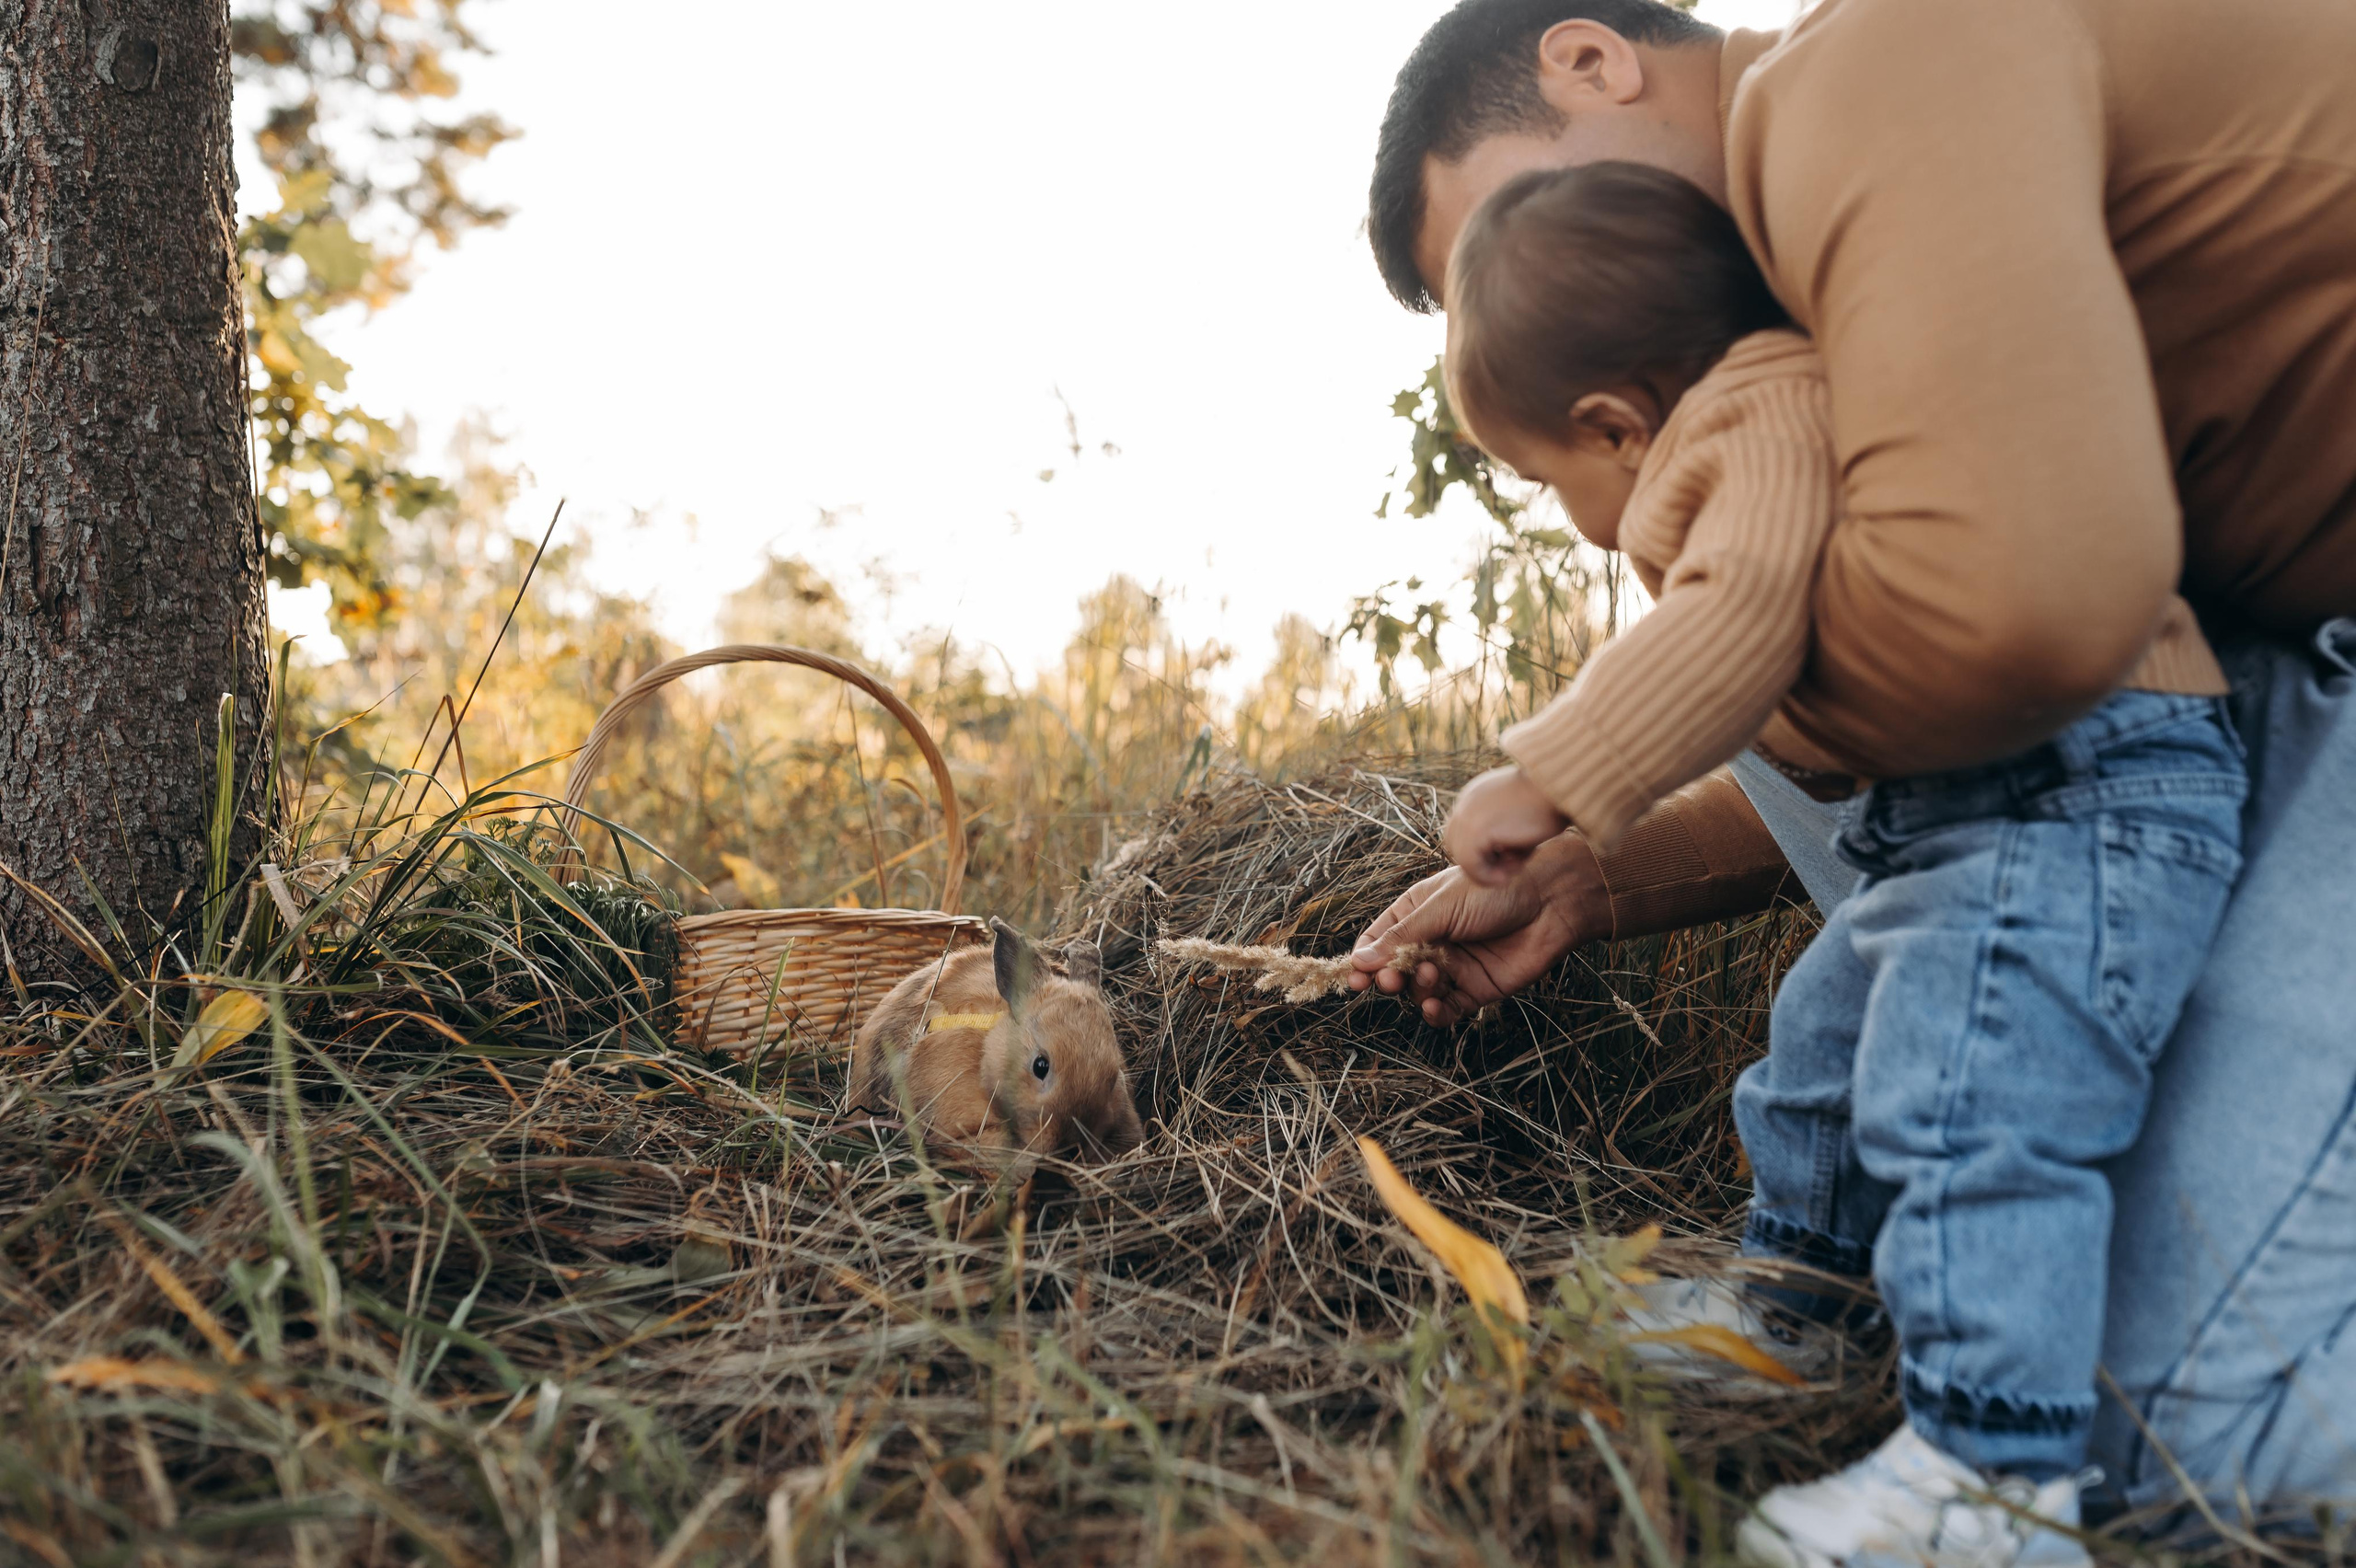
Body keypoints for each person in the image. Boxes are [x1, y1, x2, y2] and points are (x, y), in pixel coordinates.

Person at [1347, 0, 2356, 1544]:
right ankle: (1813, 1299)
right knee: (1846, 960)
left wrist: (1612, 740)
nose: (1531, 299)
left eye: (1508, 233)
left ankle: (1988, 1476)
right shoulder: (1794, 341)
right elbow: (1953, 685)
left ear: (1591, 62)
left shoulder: (1864, 74)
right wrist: (1596, 865)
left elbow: (2031, 616)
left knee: (2188, 1433)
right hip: (2207, 695)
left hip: (2212, 694)